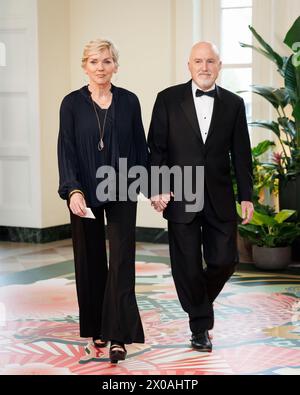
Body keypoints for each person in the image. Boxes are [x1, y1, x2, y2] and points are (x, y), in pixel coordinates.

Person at [148, 42, 254, 352]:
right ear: (189, 65)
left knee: (225, 260)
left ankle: (198, 307)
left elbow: (242, 154)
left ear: (219, 66)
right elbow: (157, 149)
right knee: (187, 267)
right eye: (198, 61)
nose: (204, 66)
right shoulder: (167, 100)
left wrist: (246, 196)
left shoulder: (234, 104)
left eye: (210, 61)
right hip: (181, 193)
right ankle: (200, 327)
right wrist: (158, 186)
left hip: (220, 196)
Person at [57, 39, 148, 363]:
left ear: (115, 66)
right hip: (84, 190)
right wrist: (73, 190)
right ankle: (97, 325)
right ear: (85, 66)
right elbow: (66, 150)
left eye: (107, 61)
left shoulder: (129, 102)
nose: (100, 67)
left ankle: (119, 335)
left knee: (122, 261)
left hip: (122, 187)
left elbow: (140, 148)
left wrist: (153, 188)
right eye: (94, 61)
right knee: (90, 259)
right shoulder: (71, 104)